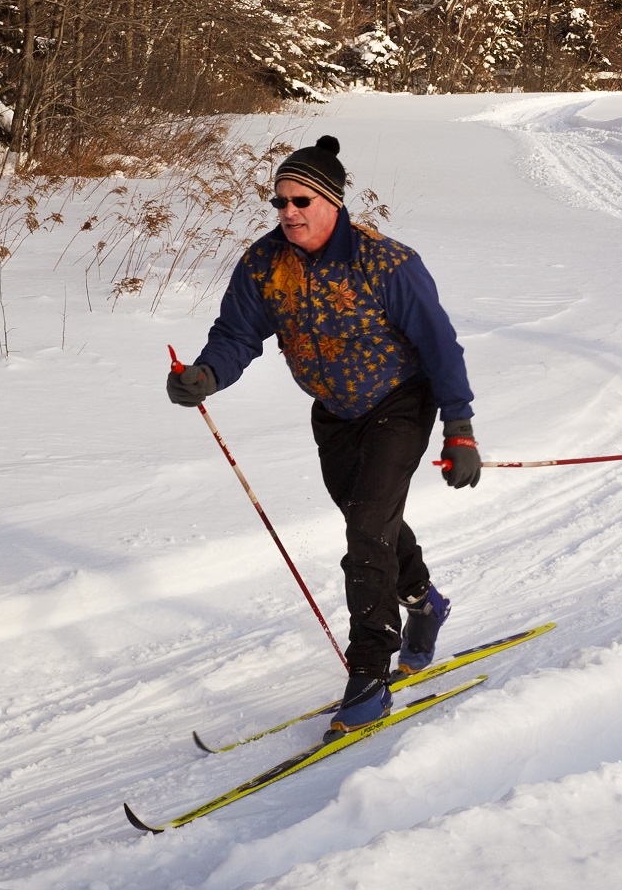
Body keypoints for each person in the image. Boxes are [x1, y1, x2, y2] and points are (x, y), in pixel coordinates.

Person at [166, 134, 480, 734]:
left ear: (332, 201)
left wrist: (459, 427)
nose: (288, 212)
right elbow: (237, 334)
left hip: (400, 400)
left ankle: (368, 673)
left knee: (366, 529)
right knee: (372, 520)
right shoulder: (265, 264)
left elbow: (440, 346)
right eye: (280, 201)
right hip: (334, 412)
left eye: (301, 200)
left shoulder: (386, 263)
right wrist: (206, 374)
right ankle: (423, 602)